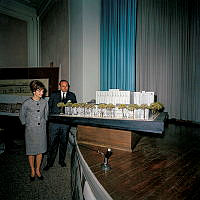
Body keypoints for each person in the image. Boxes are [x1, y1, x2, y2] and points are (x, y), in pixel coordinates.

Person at [44, 80, 77, 171]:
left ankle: (61, 161)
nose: (65, 88)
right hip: (54, 124)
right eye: (63, 86)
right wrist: (49, 120)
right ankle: (49, 163)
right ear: (59, 86)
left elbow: (74, 108)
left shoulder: (72, 95)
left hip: (65, 124)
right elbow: (49, 107)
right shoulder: (54, 94)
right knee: (52, 144)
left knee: (63, 143)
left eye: (66, 86)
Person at [19, 80, 48, 181]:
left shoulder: (45, 102)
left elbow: (46, 115)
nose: (42, 93)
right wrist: (27, 125)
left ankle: (37, 169)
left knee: (40, 151)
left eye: (43, 91)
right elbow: (22, 115)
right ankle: (32, 170)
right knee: (31, 151)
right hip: (30, 131)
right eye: (40, 91)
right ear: (34, 91)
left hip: (41, 130)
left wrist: (44, 123)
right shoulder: (27, 103)